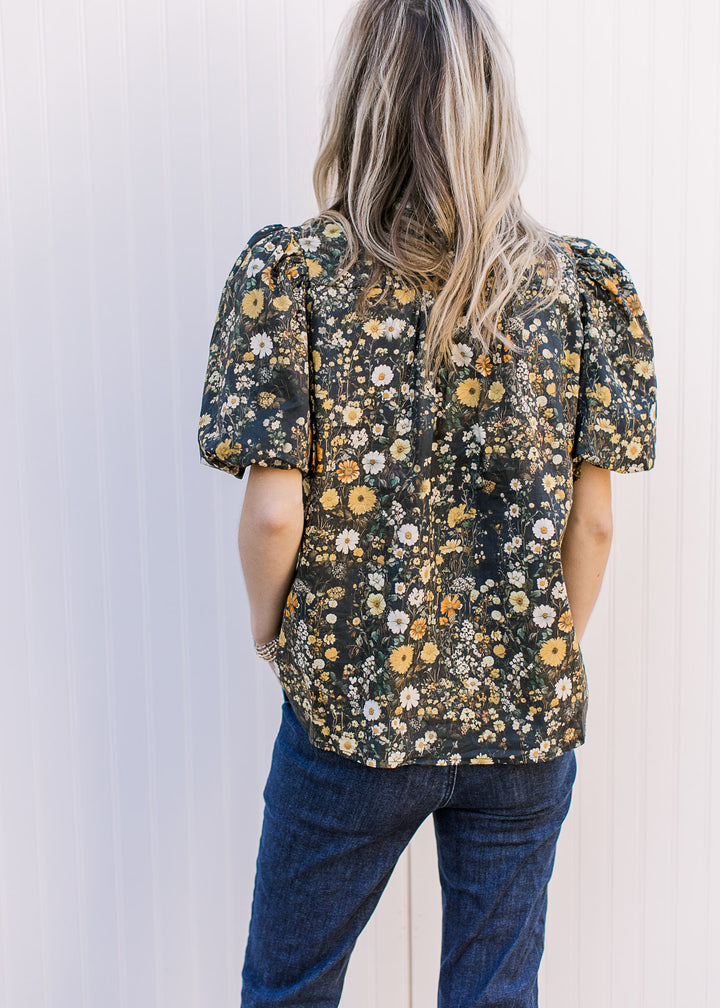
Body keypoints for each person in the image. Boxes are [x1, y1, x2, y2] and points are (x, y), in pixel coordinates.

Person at [197, 1, 657, 1004]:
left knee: (291, 987)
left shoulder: (296, 277)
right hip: (523, 731)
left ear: (361, 104)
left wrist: (272, 631)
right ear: (493, 106)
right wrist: (531, 653)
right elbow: (597, 523)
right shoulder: (580, 290)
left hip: (353, 712)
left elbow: (275, 515)